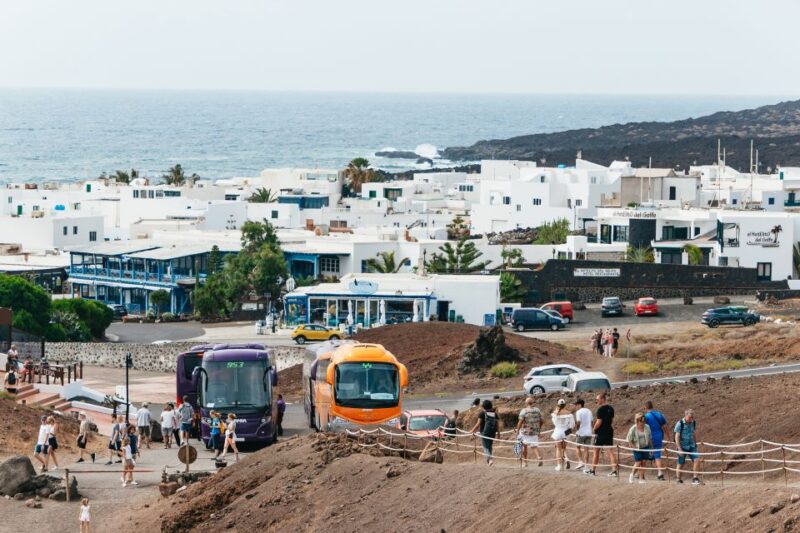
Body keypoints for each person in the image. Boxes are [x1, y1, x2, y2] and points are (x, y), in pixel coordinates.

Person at [586, 392, 618, 477]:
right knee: (611, 452)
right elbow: (612, 420)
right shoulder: (611, 408)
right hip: (609, 431)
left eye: (598, 399)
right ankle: (614, 471)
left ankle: (593, 470)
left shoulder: (600, 410)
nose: (596, 401)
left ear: (602, 399)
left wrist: (594, 429)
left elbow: (599, 422)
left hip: (600, 433)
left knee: (596, 451)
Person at [674, 409, 702, 485]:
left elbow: (693, 433)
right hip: (682, 446)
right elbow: (677, 436)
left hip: (691, 445)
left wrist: (695, 443)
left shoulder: (693, 423)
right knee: (681, 463)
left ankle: (695, 478)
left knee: (697, 459)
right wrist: (679, 449)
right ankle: (678, 479)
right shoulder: (680, 424)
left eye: (692, 417)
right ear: (685, 415)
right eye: (690, 417)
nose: (691, 419)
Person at [469, 399, 499, 466]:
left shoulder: (482, 413)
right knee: (489, 446)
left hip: (484, 433)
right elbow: (497, 424)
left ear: (483, 406)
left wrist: (472, 431)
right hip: (493, 432)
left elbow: (478, 424)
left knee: (485, 447)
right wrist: (498, 434)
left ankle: (490, 460)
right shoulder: (494, 413)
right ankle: (489, 461)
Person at [644, 401, 669, 480]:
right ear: (652, 406)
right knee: (657, 454)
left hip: (649, 437)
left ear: (646, 408)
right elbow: (664, 427)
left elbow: (643, 428)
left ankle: (641, 473)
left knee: (644, 454)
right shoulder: (659, 414)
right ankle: (660, 473)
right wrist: (668, 436)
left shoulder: (646, 416)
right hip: (659, 436)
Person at [515, 397, 543, 467]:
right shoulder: (537, 410)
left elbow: (520, 422)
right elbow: (542, 420)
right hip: (535, 431)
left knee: (524, 446)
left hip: (525, 432)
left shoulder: (524, 411)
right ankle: (538, 457)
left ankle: (525, 462)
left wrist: (517, 431)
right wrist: (539, 429)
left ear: (526, 403)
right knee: (534, 446)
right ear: (532, 403)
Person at [626, 413, 652, 484]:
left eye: (644, 421)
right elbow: (629, 439)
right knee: (638, 462)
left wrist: (651, 448)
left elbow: (649, 438)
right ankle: (632, 475)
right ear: (637, 421)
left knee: (644, 462)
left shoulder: (647, 427)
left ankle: (641, 479)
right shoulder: (633, 428)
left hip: (645, 447)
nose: (643, 423)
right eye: (641, 421)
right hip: (636, 447)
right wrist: (633, 447)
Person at [551, 398, 575, 471]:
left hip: (558, 432)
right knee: (564, 448)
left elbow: (554, 423)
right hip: (566, 432)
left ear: (558, 405)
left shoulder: (555, 413)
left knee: (558, 449)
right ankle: (566, 459)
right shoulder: (569, 413)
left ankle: (559, 465)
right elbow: (572, 425)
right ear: (565, 405)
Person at [573, 399, 594, 472]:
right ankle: (586, 466)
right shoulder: (589, 411)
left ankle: (580, 462)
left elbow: (578, 422)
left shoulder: (578, 412)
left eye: (576, 405)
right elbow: (592, 422)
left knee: (577, 447)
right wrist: (591, 430)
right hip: (589, 432)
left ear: (579, 405)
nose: (575, 406)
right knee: (586, 449)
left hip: (581, 432)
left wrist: (577, 429)